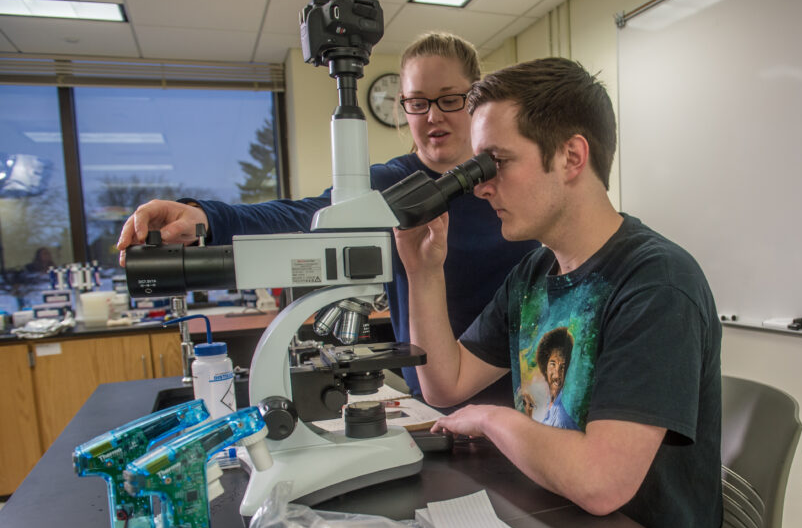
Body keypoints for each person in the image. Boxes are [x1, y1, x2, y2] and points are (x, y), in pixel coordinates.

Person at [395, 57, 732, 528]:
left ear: (572, 156)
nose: (482, 186)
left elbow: (602, 482)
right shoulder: (536, 271)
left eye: (496, 163)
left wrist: (491, 417)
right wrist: (423, 273)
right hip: (557, 524)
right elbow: (445, 384)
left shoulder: (656, 283)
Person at [115, 32, 537, 396]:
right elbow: (304, 215)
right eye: (416, 102)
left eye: (449, 99)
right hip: (435, 398)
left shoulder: (513, 189)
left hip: (527, 393)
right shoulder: (392, 187)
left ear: (475, 98)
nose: (432, 116)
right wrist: (205, 217)